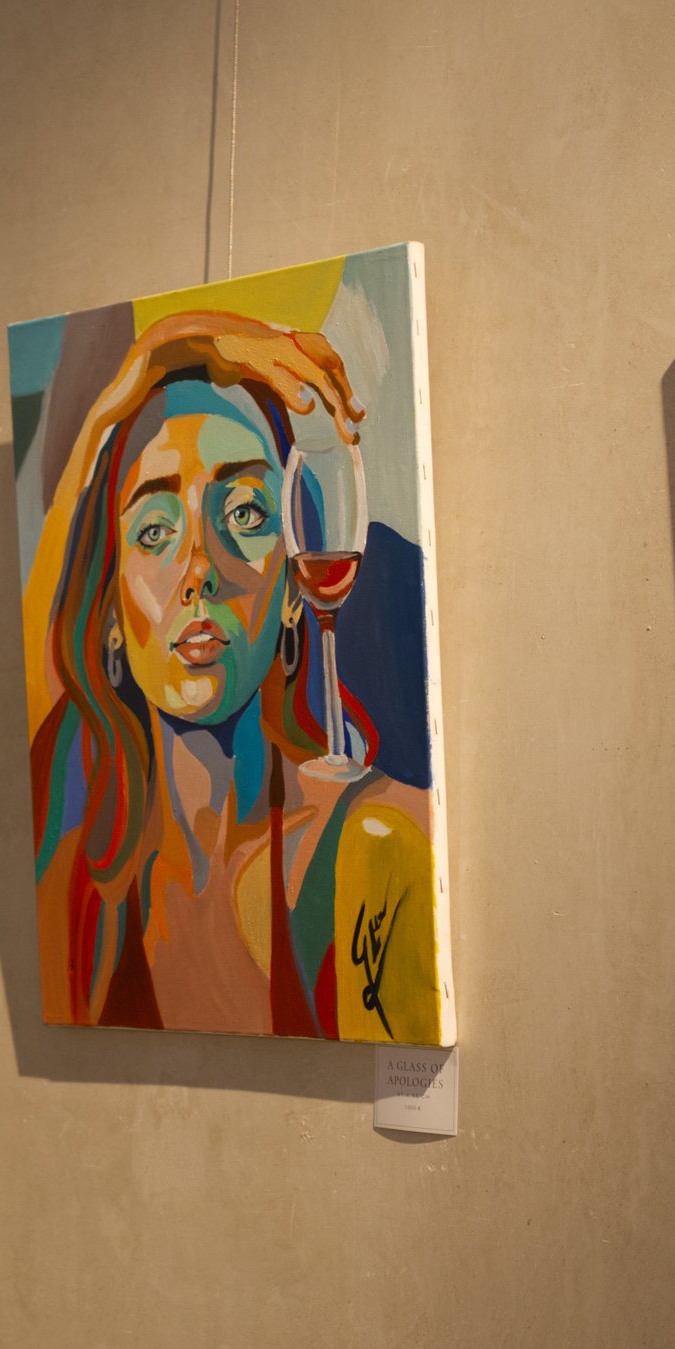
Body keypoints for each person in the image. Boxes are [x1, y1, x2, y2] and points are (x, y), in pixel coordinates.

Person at [28, 310, 441, 1039]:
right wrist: (160, 351)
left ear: (293, 589)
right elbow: (31, 660)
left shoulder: (374, 845)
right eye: (155, 530)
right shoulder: (85, 873)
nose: (198, 570)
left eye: (246, 513)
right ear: (110, 611)